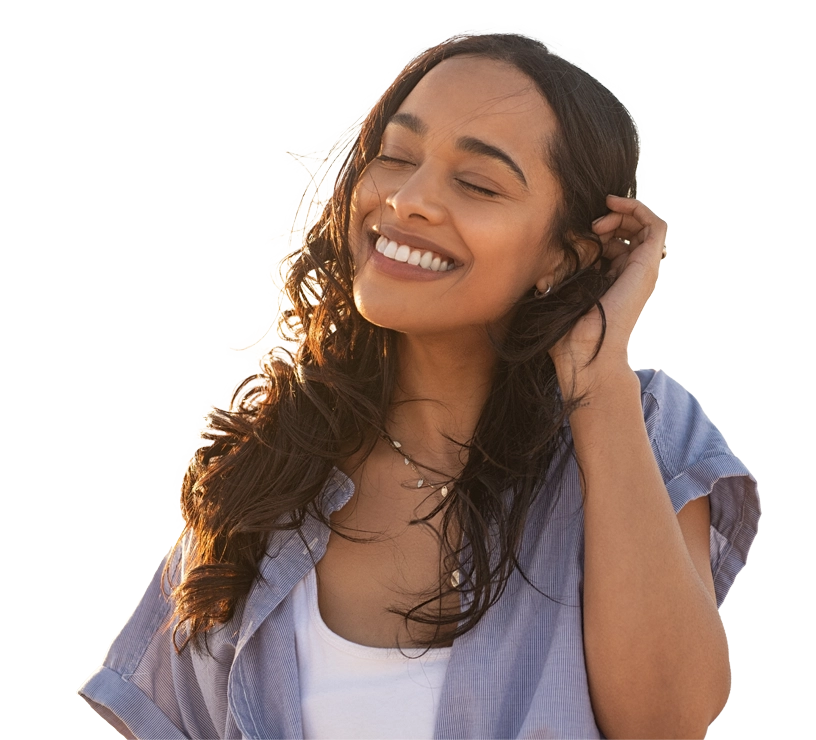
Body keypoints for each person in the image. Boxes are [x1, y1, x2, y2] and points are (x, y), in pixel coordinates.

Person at [78, 30, 761, 740]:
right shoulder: (259, 480)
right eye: (397, 158)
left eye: (476, 183)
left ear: (563, 254)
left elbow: (667, 722)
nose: (408, 200)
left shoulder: (641, 425)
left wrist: (597, 378)